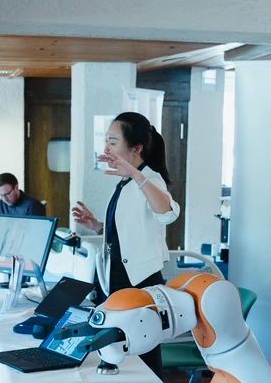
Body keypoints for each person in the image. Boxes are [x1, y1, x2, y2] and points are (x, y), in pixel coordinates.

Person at [71, 112, 180, 379]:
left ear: (136, 148)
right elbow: (129, 231)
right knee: (119, 352)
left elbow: (168, 214)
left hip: (140, 281)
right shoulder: (125, 182)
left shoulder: (149, 179)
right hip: (118, 277)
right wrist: (97, 225)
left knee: (143, 357)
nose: (106, 148)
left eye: (113, 141)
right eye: (106, 141)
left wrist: (134, 174)